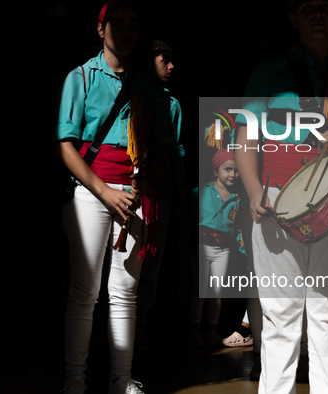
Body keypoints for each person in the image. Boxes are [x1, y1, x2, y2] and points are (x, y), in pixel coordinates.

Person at [234, 0, 328, 392]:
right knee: (280, 316)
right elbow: (246, 136)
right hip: (273, 202)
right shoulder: (270, 73)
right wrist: (253, 190)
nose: (317, 15)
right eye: (308, 8)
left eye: (326, 7)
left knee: (327, 312)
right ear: (293, 18)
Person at [53, 1, 173, 393]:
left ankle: (121, 380)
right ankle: (75, 379)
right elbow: (67, 145)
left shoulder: (147, 84)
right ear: (100, 29)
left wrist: (143, 184)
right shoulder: (82, 78)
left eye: (133, 25)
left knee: (125, 294)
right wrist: (105, 193)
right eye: (117, 24)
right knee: (85, 291)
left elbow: (162, 147)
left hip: (134, 194)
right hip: (92, 190)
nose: (126, 32)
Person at [135, 39, 185, 350]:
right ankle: (106, 331)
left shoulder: (172, 104)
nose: (171, 66)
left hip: (160, 193)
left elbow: (175, 153)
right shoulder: (129, 92)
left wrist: (179, 200)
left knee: (151, 265)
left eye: (171, 59)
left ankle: (138, 328)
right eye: (164, 59)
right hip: (125, 189)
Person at [189, 148, 243, 347]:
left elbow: (237, 229)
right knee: (200, 291)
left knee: (217, 292)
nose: (233, 174)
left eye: (236, 171)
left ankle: (212, 331)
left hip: (224, 250)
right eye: (228, 169)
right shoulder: (200, 191)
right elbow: (189, 219)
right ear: (216, 171)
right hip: (202, 246)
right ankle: (195, 332)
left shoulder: (237, 198)